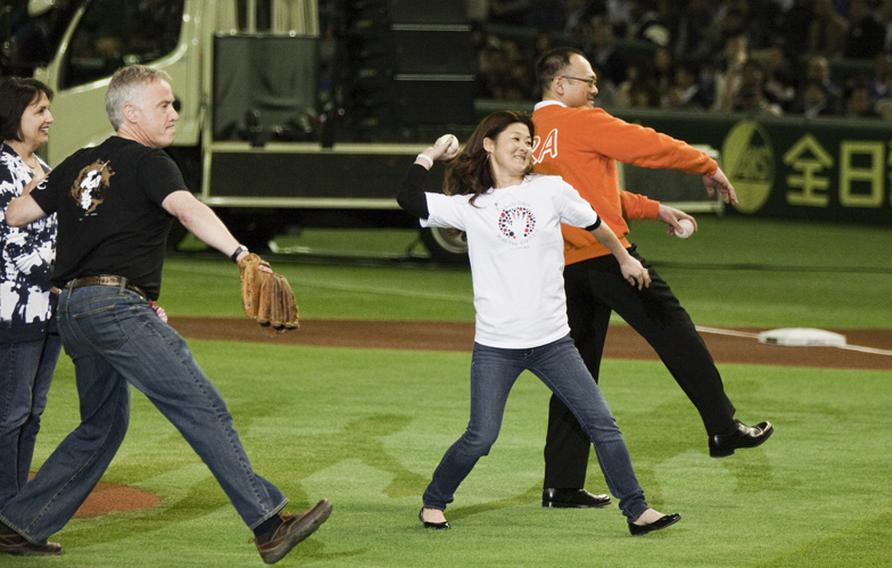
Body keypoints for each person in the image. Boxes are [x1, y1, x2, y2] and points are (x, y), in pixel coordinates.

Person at [0, 65, 330, 562]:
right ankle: (267, 522)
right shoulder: (151, 162)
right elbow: (187, 209)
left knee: (103, 425)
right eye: (165, 105)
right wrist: (241, 253)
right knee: (200, 405)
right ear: (130, 113)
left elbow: (17, 213)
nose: (174, 113)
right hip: (115, 307)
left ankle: (20, 523)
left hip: (73, 310)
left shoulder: (78, 161)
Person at [397, 111, 680, 536]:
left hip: (553, 343)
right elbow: (408, 198)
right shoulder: (471, 206)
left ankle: (637, 510)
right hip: (497, 346)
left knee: (602, 424)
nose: (524, 146)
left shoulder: (551, 190)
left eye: (529, 140)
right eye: (514, 138)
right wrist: (430, 155)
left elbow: (598, 224)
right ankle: (434, 501)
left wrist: (624, 257)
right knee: (481, 437)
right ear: (489, 144)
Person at [532, 47, 773, 509]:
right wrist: (706, 164)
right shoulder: (584, 120)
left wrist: (654, 208)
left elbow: (588, 196)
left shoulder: (529, 134)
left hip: (557, 269)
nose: (595, 90)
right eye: (587, 81)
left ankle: (561, 485)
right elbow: (648, 144)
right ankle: (723, 427)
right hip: (607, 256)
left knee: (574, 372)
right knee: (675, 329)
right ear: (559, 84)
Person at [0, 77, 61, 521]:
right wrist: (67, 276)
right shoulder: (3, 170)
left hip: (48, 310)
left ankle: (16, 511)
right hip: (14, 311)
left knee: (32, 413)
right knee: (10, 415)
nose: (49, 118)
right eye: (39, 110)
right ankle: (6, 510)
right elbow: (11, 247)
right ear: (12, 115)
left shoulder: (41, 166)